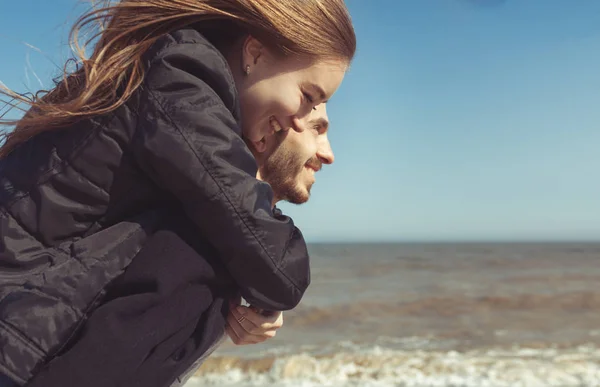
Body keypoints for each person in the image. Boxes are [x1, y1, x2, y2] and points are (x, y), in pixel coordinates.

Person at [0, 0, 355, 385]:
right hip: (16, 336)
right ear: (254, 53)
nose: (300, 120)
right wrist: (267, 284)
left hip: (21, 323)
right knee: (214, 242)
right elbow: (259, 242)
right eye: (307, 96)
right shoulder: (182, 73)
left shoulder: (169, 71)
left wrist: (257, 290)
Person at [22, 104, 333, 387]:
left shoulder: (224, 236)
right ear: (268, 131)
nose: (328, 153)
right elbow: (98, 362)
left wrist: (263, 292)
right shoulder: (200, 238)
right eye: (318, 129)